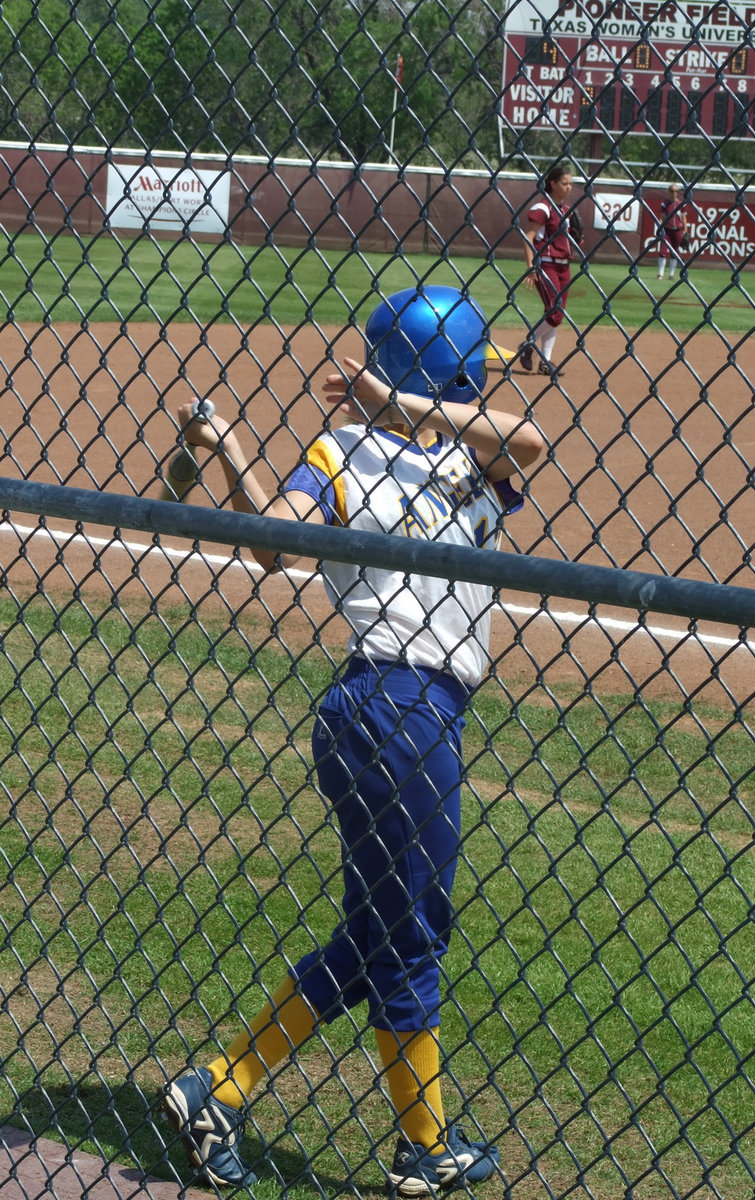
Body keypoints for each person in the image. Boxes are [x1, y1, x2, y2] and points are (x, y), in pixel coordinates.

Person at [158, 285, 543, 1194]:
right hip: (391, 707)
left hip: (411, 717)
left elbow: (528, 438)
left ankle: (216, 1088)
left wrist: (396, 404)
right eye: (471, 370)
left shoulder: (471, 457)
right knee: (410, 937)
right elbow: (278, 547)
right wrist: (236, 462)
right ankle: (423, 1146)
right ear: (452, 368)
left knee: (376, 932)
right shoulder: (340, 455)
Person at [518, 163, 577, 378]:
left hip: (564, 266)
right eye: (565, 183)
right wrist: (531, 265)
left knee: (553, 312)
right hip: (547, 263)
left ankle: (544, 361)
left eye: (571, 184)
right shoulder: (543, 208)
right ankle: (527, 344)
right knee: (556, 312)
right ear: (552, 184)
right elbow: (529, 237)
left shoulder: (564, 209)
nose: (569, 187)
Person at [657, 182, 689, 280]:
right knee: (663, 251)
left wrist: (686, 231)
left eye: (676, 191)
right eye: (672, 191)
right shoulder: (665, 204)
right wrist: (660, 227)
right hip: (667, 230)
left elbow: (683, 218)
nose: (674, 193)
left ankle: (671, 274)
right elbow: (661, 217)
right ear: (668, 192)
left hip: (677, 230)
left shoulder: (681, 204)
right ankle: (660, 274)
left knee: (674, 252)